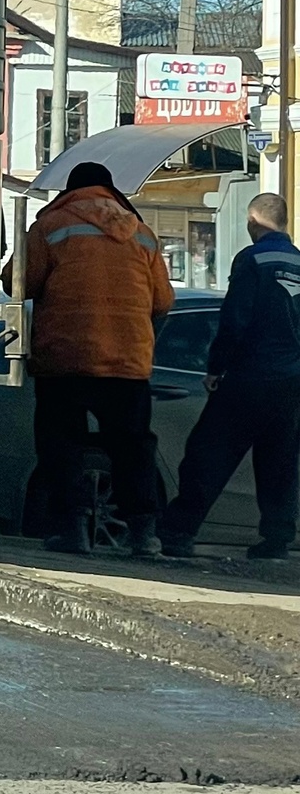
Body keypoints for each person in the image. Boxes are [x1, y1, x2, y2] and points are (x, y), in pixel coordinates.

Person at [24, 161, 173, 555]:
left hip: (65, 358)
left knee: (63, 446)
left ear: (71, 191)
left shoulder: (50, 227)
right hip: (128, 362)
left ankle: (71, 530)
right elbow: (163, 301)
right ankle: (143, 534)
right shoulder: (142, 234)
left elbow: (18, 282)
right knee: (133, 448)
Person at [159, 192, 300, 561]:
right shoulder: (299, 262)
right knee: (280, 465)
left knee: (208, 456)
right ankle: (277, 540)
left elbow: (235, 318)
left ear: (253, 222)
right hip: (291, 384)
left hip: (250, 377)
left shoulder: (252, 260)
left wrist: (216, 368)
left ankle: (178, 532)